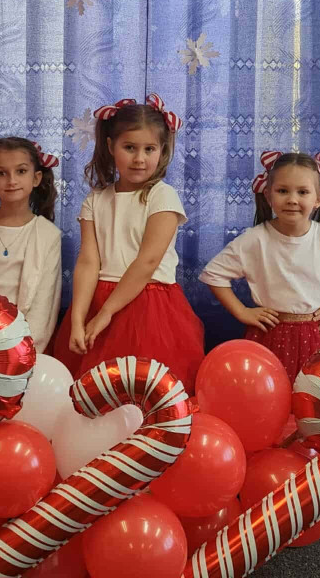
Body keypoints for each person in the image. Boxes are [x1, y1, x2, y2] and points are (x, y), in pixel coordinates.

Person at [50, 94, 205, 392]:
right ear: (110, 147)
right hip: (98, 298)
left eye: (149, 149)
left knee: (143, 393)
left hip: (148, 304)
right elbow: (88, 261)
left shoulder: (163, 197)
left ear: (162, 150)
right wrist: (80, 318)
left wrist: (106, 313)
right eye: (129, 148)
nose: (139, 158)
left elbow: (147, 262)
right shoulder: (96, 200)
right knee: (95, 393)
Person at [199, 150, 320, 383]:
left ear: (319, 198)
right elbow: (213, 275)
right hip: (268, 335)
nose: (292, 199)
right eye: (283, 191)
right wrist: (241, 311)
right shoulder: (255, 240)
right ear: (269, 196)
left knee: (313, 401)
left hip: (316, 336)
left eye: (302, 192)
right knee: (266, 400)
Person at [0, 136, 62, 350]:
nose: (12, 181)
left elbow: (45, 303)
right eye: (1, 173)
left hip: (22, 343)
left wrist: (23, 350)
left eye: (21, 171)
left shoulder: (47, 234)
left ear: (36, 178)